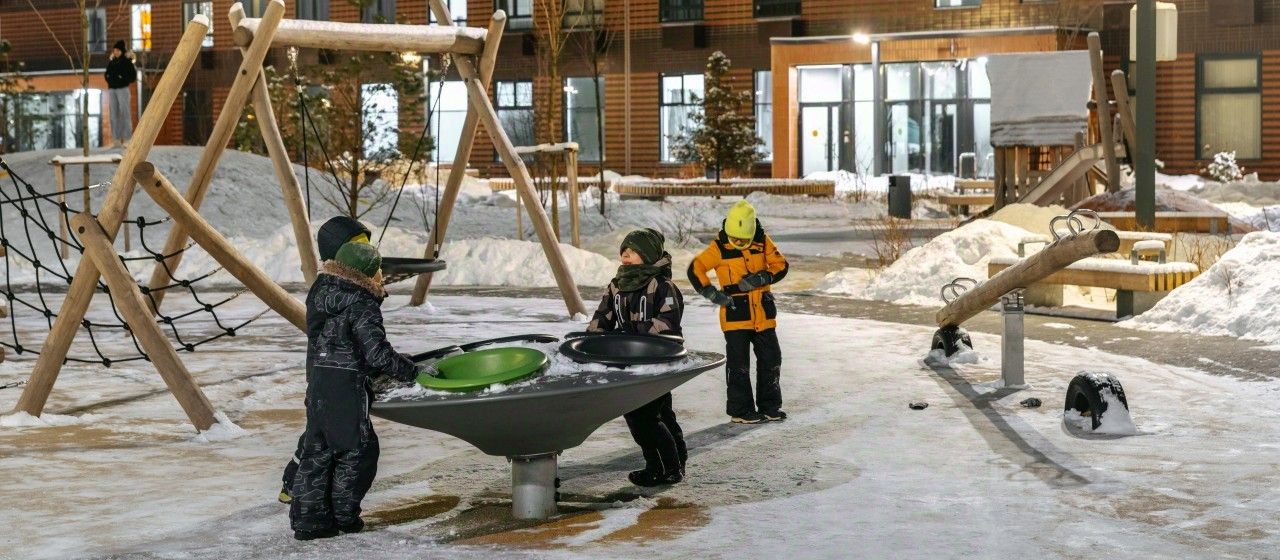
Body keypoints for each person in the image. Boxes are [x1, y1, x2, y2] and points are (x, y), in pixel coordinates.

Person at [289, 241, 426, 541]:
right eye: (378, 270)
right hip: (346, 387)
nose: (381, 276)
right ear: (367, 273)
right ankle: (345, 517)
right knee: (357, 453)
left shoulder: (322, 292)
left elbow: (336, 341)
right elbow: (377, 353)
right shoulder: (362, 301)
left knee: (318, 452)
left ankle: (309, 522)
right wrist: (412, 371)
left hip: (319, 382)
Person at [278, 217, 373, 504]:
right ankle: (295, 485)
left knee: (326, 432)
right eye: (358, 247)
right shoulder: (330, 289)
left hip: (340, 372)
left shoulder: (346, 283)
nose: (366, 252)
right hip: (328, 374)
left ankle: (311, 487)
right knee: (320, 435)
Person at [587, 228, 687, 487]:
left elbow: (667, 324)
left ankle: (666, 467)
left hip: (656, 363)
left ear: (648, 255)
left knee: (644, 417)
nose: (626, 255)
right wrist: (591, 340)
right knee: (655, 415)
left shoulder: (662, 287)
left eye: (633, 251)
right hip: (629, 364)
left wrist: (631, 339)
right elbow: (603, 317)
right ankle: (669, 463)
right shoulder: (617, 286)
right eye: (624, 251)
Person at [688, 200, 789, 424]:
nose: (739, 242)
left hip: (763, 313)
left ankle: (770, 407)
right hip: (735, 314)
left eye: (744, 239)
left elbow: (781, 264)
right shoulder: (719, 247)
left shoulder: (762, 241)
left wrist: (763, 277)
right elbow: (696, 268)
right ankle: (741, 410)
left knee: (771, 358)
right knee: (739, 365)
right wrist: (711, 293)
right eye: (735, 238)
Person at [104, 40, 136, 148]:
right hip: (112, 90)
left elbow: (132, 77)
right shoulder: (112, 62)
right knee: (113, 115)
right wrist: (109, 78)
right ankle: (116, 140)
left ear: (122, 51)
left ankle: (127, 139)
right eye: (114, 50)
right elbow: (107, 74)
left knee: (125, 113)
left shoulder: (127, 62)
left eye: (117, 50)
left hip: (123, 89)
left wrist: (122, 78)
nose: (115, 52)